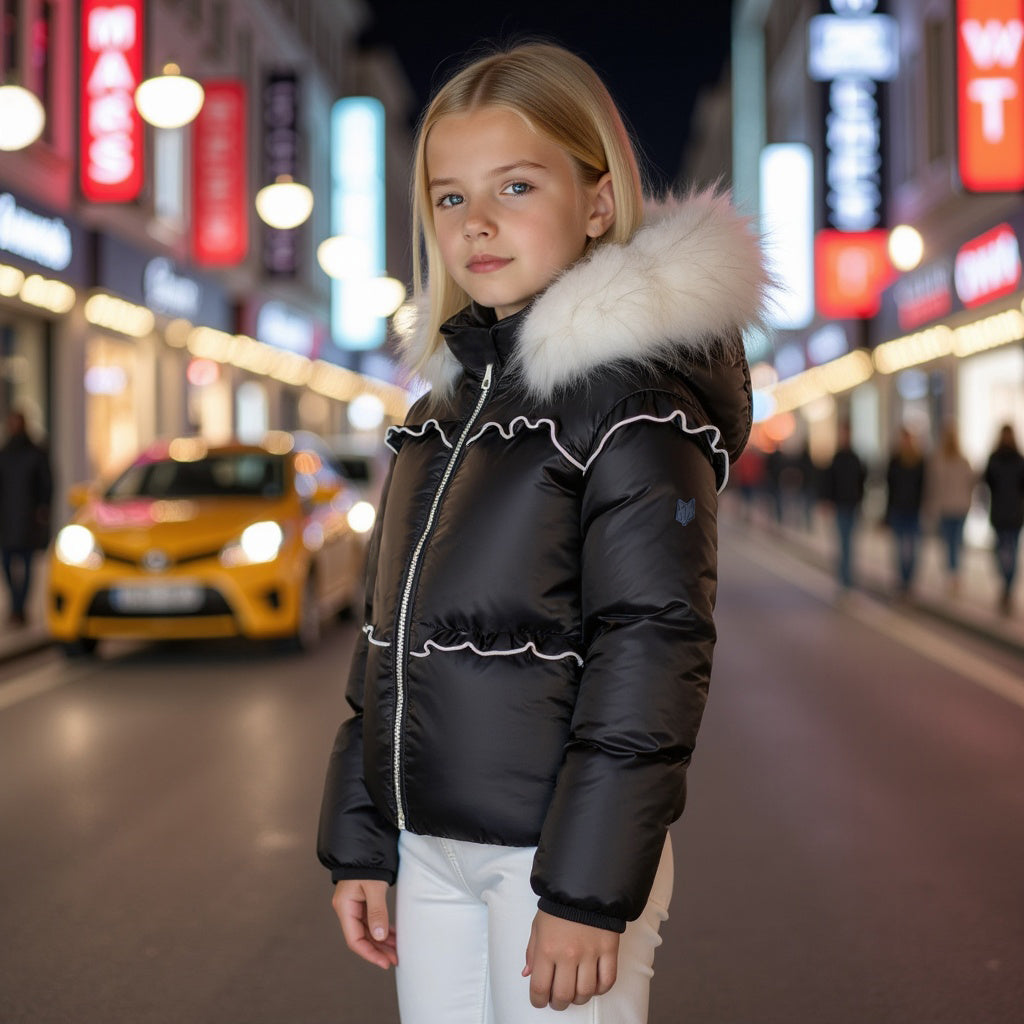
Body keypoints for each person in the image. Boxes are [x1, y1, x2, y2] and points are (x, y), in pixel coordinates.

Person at [316, 41, 767, 1023]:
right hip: (426, 847)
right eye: (449, 196)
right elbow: (383, 643)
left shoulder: (636, 403)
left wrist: (586, 892)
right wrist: (361, 841)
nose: (475, 221)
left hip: (551, 855)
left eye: (515, 186)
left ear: (598, 203)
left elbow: (651, 652)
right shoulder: (441, 412)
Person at [0, 410, 53, 626]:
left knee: (27, 564)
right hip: (6, 519)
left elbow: (46, 485)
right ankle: (16, 606)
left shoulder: (36, 453)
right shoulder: (4, 453)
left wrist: (42, 509)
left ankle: (20, 608)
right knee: (7, 564)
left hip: (28, 519)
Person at [923, 423, 976, 595]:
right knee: (950, 543)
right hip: (948, 508)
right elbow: (934, 486)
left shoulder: (961, 460)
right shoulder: (939, 460)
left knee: (954, 542)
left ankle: (954, 574)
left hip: (957, 508)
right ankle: (952, 574)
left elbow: (970, 483)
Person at [982, 423, 1024, 615]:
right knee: (1000, 552)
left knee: (1012, 552)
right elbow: (987, 482)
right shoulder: (994, 458)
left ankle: (1008, 588)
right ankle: (1004, 581)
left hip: (1014, 514)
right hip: (999, 513)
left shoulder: (1019, 460)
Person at [820, 422, 867, 591]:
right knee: (843, 542)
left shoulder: (855, 458)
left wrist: (860, 499)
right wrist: (827, 501)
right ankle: (844, 578)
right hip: (840, 505)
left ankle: (847, 577)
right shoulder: (837, 458)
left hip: (852, 505)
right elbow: (829, 481)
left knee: (849, 543)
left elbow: (861, 481)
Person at [885, 426, 926, 598]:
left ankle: (909, 579)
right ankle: (902, 579)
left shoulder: (920, 460)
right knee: (899, 547)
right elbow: (890, 488)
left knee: (913, 547)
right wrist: (887, 513)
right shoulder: (895, 460)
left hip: (913, 510)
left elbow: (924, 487)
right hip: (898, 509)